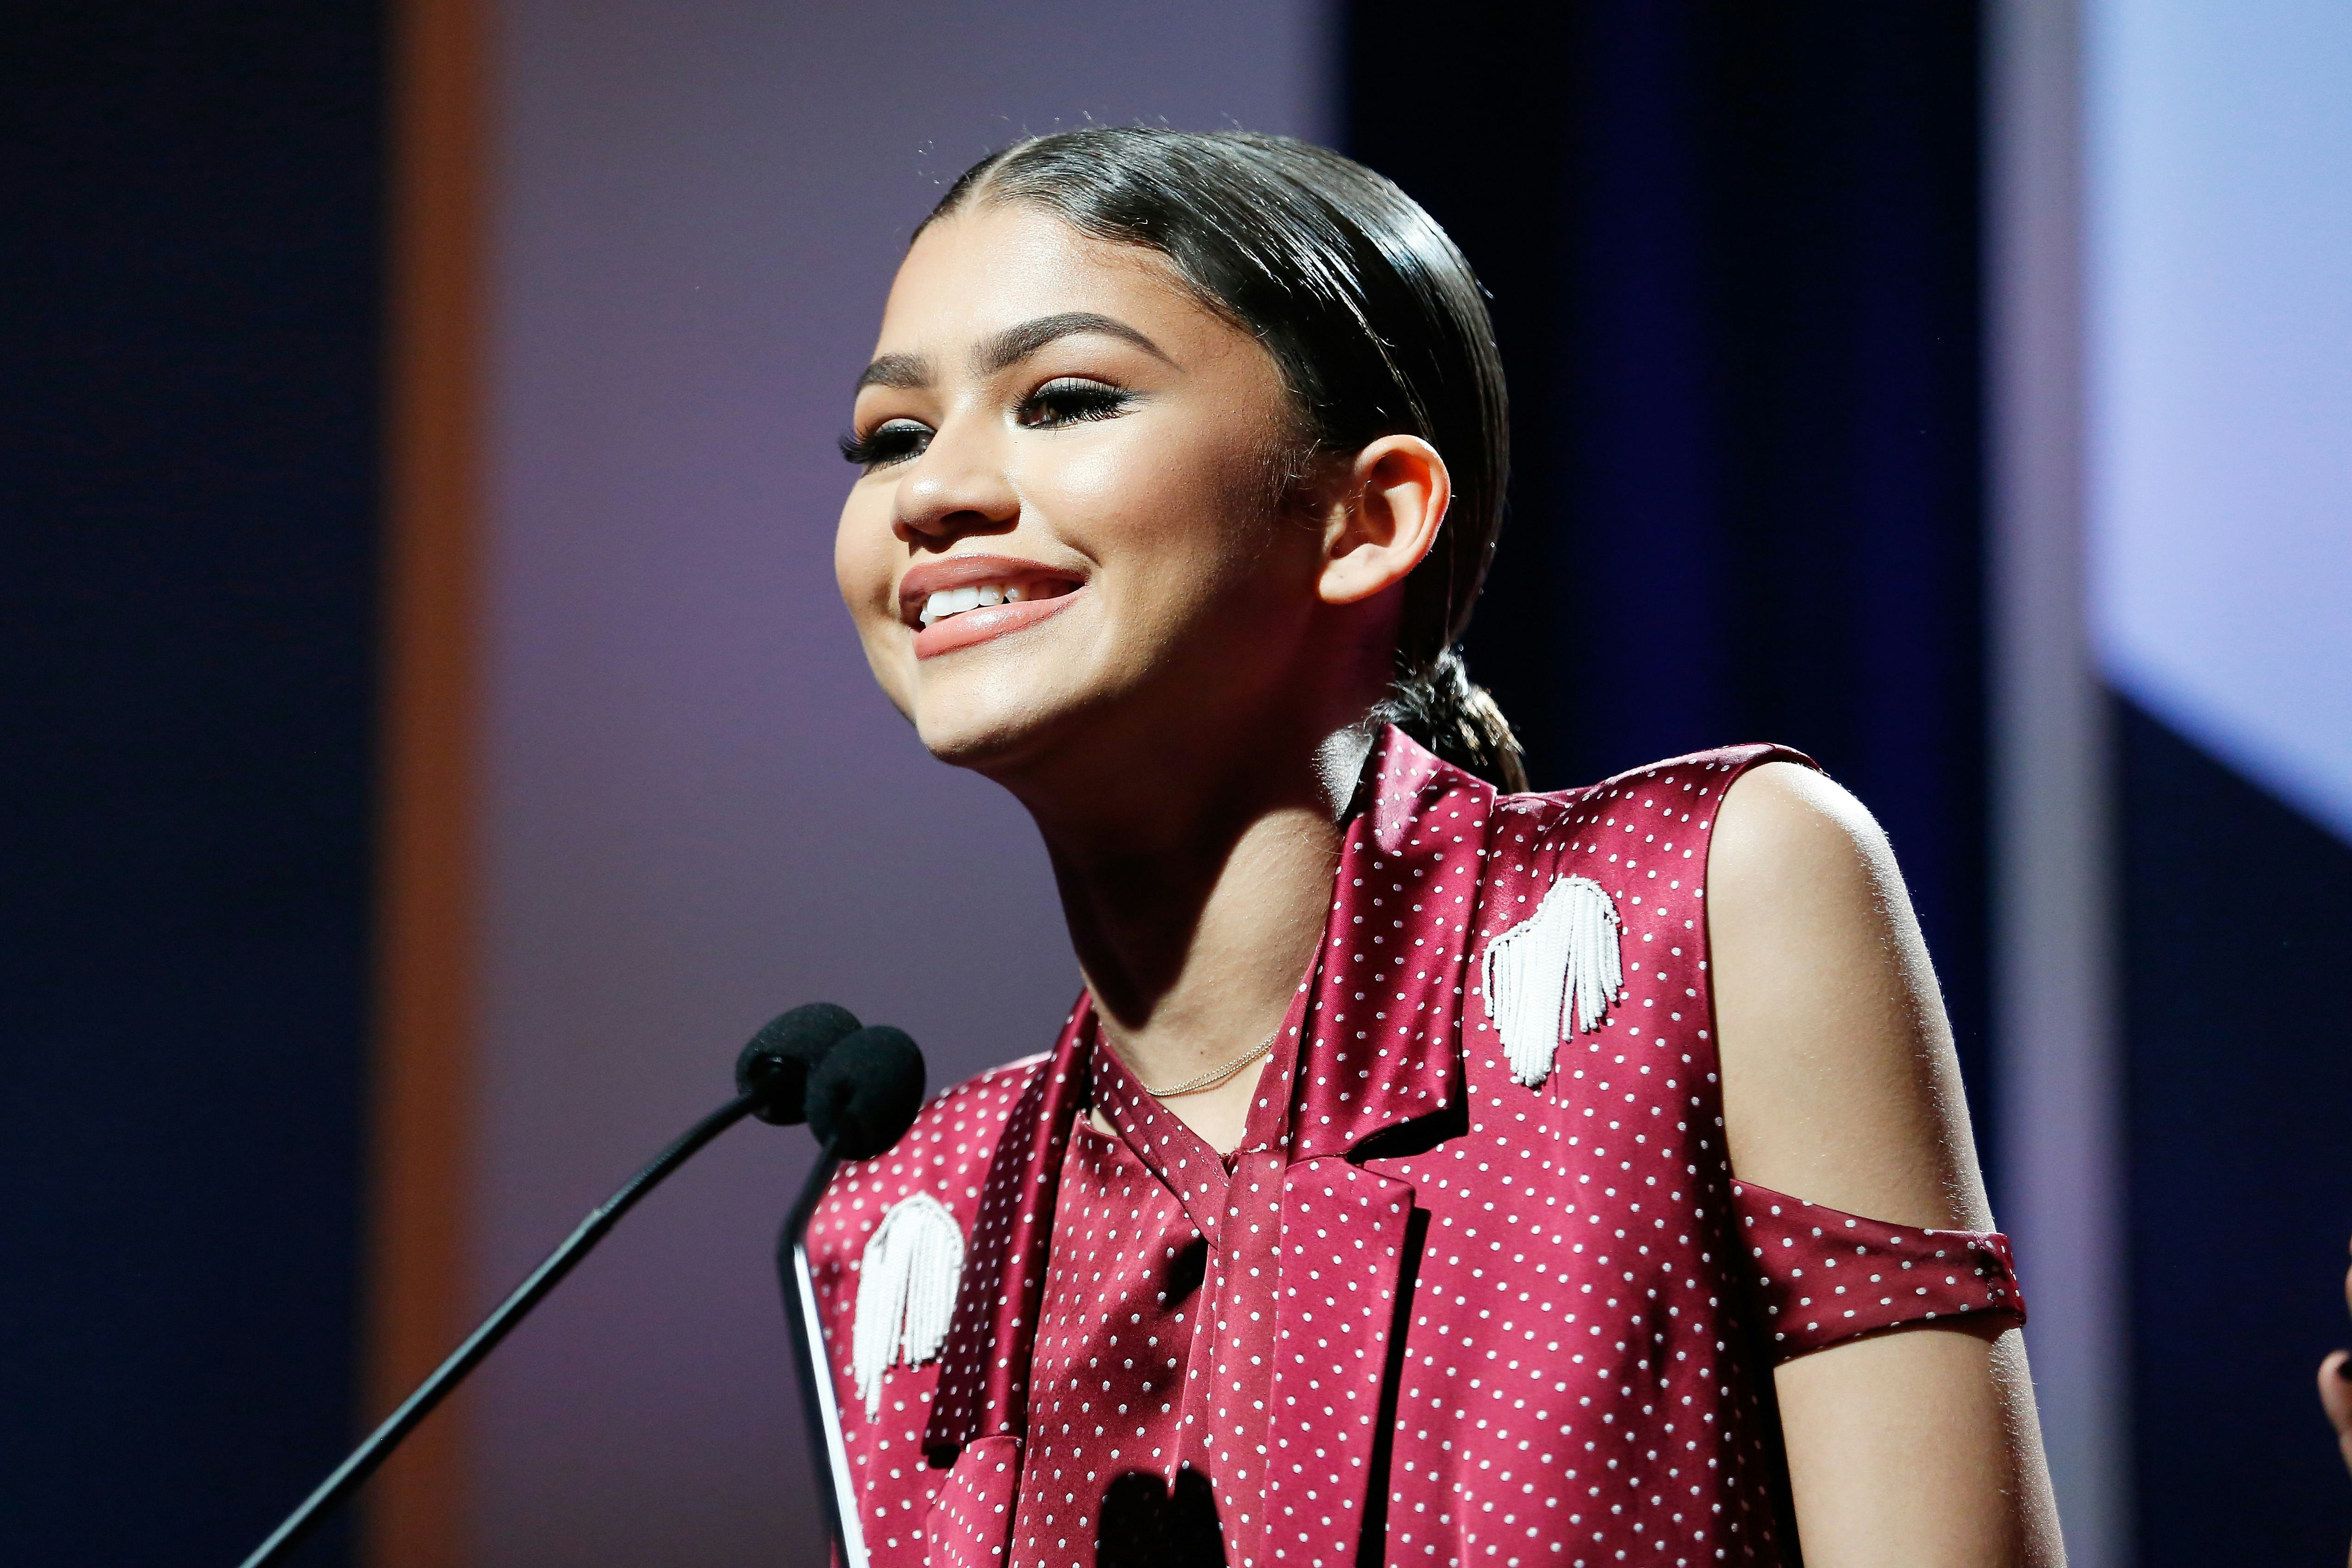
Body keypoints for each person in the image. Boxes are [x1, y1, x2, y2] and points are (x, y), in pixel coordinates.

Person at [806, 127, 2063, 1568]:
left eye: (1065, 398)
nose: (929, 495)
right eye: (893, 436)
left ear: (1369, 515)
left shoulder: (1710, 902)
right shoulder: (910, 1225)